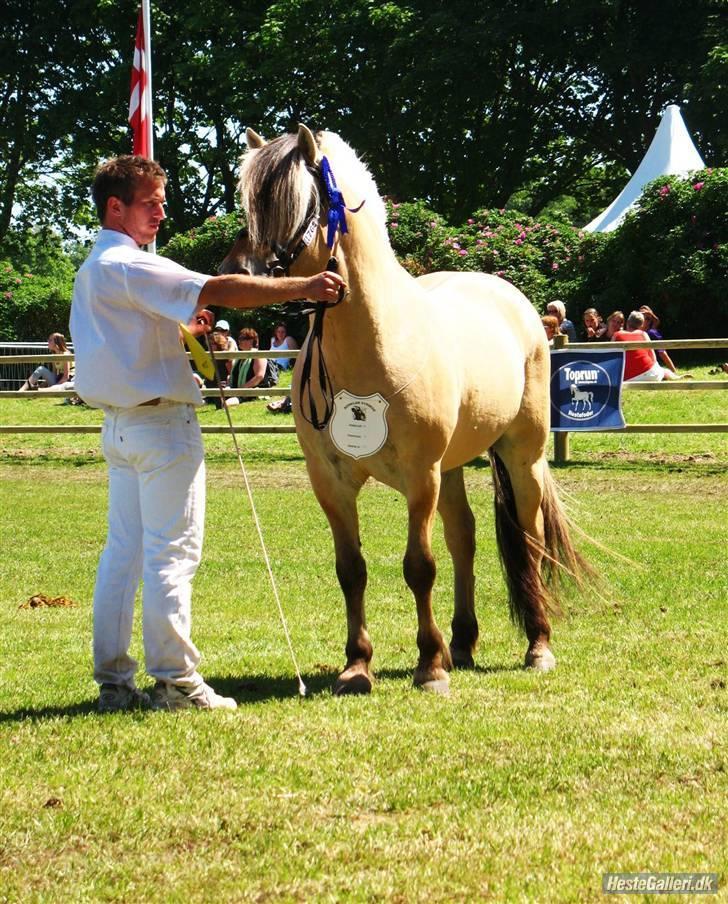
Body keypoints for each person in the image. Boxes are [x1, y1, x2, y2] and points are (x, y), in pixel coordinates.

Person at [69, 155, 345, 713]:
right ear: (114, 207)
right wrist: (306, 285)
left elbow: (128, 342)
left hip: (120, 429)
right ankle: (174, 681)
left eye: (162, 201)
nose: (162, 212)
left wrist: (176, 335)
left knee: (122, 555)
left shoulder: (94, 268)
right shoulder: (131, 264)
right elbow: (220, 288)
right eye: (151, 203)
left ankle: (115, 685)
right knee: (171, 554)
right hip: (162, 427)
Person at [612, 311, 670, 382]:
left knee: (662, 370)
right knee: (662, 370)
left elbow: (611, 356)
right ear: (641, 325)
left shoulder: (616, 335)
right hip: (651, 375)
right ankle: (675, 376)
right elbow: (653, 357)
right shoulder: (643, 334)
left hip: (628, 378)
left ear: (627, 322)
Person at [226, 327, 278, 406]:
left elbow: (259, 377)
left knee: (227, 403)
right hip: (237, 391)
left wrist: (242, 389)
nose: (239, 341)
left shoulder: (258, 356)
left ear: (251, 341)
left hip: (252, 391)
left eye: (243, 338)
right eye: (239, 338)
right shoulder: (239, 358)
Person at [639, 305, 692, 378]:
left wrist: (674, 373)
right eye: (641, 317)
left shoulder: (652, 333)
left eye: (647, 318)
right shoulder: (634, 332)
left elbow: (663, 354)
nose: (644, 320)